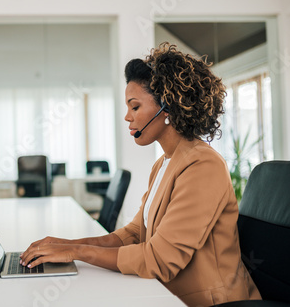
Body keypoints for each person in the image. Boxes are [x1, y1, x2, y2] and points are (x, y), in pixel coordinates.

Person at [20, 43, 262, 307]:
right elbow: (134, 234)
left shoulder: (203, 165)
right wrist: (67, 245)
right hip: (166, 294)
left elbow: (160, 259)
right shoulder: (164, 164)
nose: (127, 116)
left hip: (209, 301)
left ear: (167, 107)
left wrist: (77, 252)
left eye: (134, 107)